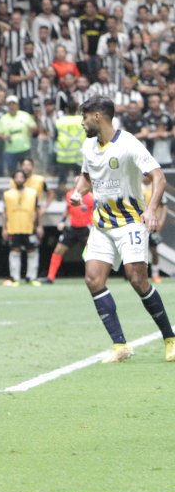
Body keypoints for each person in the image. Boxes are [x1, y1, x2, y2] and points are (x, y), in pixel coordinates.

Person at [70, 96, 174, 363]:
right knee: (93, 279)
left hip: (129, 221)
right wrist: (78, 193)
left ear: (98, 116)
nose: (82, 122)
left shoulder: (128, 144)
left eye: (85, 117)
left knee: (137, 279)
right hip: (102, 224)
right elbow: (87, 176)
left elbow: (158, 177)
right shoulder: (88, 146)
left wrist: (150, 209)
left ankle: (170, 338)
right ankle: (120, 345)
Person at [39, 184, 93, 284]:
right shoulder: (70, 195)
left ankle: (94, 277)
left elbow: (95, 211)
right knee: (58, 250)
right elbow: (68, 209)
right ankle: (50, 277)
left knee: (92, 253)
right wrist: (62, 221)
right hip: (72, 228)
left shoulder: (91, 197)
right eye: (76, 182)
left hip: (86, 229)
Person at [2, 170, 42, 286]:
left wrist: (39, 226)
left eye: (21, 177)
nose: (19, 179)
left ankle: (32, 277)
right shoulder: (7, 194)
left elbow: (37, 211)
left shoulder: (33, 193)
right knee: (14, 251)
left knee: (32, 251)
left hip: (29, 227)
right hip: (13, 227)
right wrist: (4, 228)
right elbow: (4, 212)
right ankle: (15, 278)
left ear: (25, 179)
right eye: (17, 176)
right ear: (13, 179)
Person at [142, 174, 169, 284]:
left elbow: (164, 206)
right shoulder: (136, 186)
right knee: (138, 252)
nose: (144, 176)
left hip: (152, 224)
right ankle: (138, 276)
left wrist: (161, 221)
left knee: (154, 251)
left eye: (146, 174)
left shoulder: (156, 187)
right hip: (138, 223)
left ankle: (155, 274)